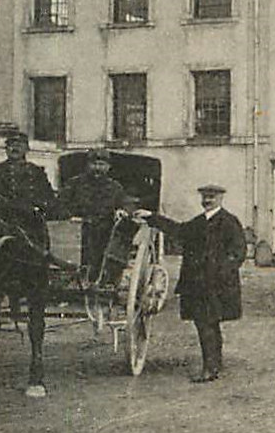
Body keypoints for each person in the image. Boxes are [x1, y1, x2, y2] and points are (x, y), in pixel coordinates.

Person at [137, 184, 245, 383]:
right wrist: (151, 217)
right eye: (204, 197)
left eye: (211, 197)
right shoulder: (199, 222)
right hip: (197, 285)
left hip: (216, 285)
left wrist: (219, 273)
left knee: (206, 324)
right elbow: (178, 230)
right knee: (206, 324)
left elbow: (238, 253)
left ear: (221, 198)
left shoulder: (229, 222)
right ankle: (214, 365)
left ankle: (210, 369)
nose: (207, 201)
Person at [0, 131, 57, 395]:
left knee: (36, 299)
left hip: (29, 234)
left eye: (19, 145)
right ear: (5, 148)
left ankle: (37, 373)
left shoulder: (36, 173)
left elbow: (49, 202)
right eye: (10, 145)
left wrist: (35, 207)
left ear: (26, 148)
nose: (14, 149)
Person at [57, 148, 137, 284]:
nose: (97, 168)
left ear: (108, 167)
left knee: (110, 244)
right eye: (94, 164)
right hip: (77, 228)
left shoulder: (115, 187)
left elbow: (127, 203)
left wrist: (123, 210)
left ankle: (104, 277)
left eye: (102, 165)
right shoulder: (75, 183)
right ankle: (77, 276)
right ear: (88, 165)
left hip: (105, 228)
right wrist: (69, 217)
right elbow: (60, 203)